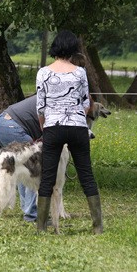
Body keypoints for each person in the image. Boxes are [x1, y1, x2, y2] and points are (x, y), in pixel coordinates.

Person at [36, 29, 103, 234]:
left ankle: (40, 228)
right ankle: (97, 226)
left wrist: (44, 125)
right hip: (77, 127)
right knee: (86, 175)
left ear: (55, 47)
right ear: (73, 49)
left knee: (47, 177)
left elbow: (40, 106)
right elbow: (85, 103)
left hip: (53, 127)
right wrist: (76, 118)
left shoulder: (44, 73)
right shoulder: (80, 72)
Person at [0, 95, 40, 222]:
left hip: (3, 123)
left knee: (23, 167)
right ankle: (32, 213)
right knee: (33, 167)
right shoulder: (55, 101)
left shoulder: (50, 94)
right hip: (11, 126)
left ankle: (28, 210)